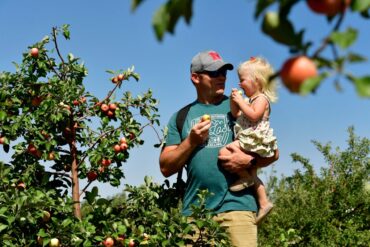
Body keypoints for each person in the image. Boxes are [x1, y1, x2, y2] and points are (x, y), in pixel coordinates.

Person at [159, 50, 278, 247]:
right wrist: (191, 141)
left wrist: (250, 161)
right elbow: (165, 167)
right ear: (195, 78)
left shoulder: (240, 106)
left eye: (224, 72)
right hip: (196, 214)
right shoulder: (181, 117)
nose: (221, 77)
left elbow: (273, 152)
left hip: (238, 207)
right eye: (214, 73)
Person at [219, 56, 278, 224]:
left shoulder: (261, 99)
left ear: (256, 81)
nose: (239, 84)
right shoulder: (251, 100)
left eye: (242, 80)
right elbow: (237, 115)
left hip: (255, 139)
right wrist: (234, 102)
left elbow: (253, 116)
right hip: (250, 138)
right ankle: (264, 202)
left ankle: (245, 178)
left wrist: (240, 101)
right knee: (253, 173)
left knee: (225, 151)